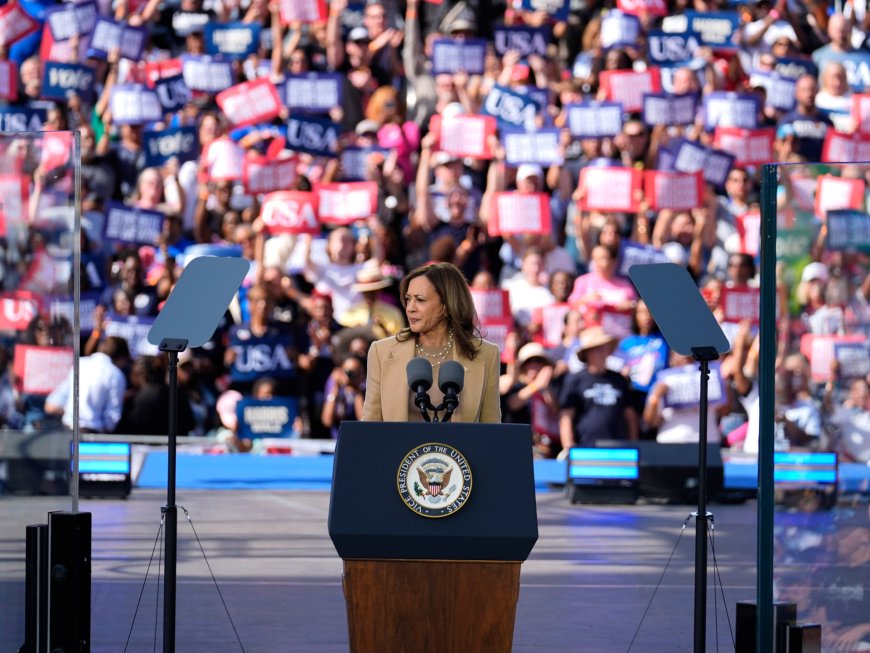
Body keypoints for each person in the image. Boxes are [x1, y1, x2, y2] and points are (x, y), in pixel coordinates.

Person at [361, 262, 501, 423]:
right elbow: (369, 428)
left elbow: (492, 432)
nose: (410, 308)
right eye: (408, 299)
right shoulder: (381, 352)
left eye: (420, 300)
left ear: (446, 306)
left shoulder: (486, 354)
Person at [559, 326, 638, 449]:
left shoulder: (619, 379)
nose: (603, 351)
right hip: (585, 447)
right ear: (587, 353)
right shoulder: (575, 380)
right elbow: (566, 416)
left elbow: (630, 415)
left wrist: (633, 444)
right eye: (597, 348)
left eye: (605, 347)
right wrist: (568, 446)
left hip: (618, 449)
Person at [45, 336, 130, 433]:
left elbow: (52, 405)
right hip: (92, 435)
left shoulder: (80, 363)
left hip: (67, 430)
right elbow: (112, 417)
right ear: (122, 358)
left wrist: (71, 412)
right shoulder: (116, 375)